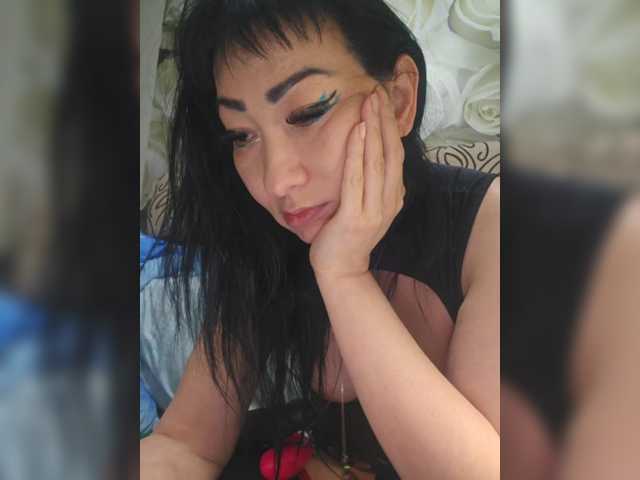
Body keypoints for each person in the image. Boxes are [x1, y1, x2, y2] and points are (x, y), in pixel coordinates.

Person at [140, 1, 500, 479]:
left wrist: (343, 274)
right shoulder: (262, 238)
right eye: (241, 136)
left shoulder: (493, 227)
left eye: (308, 113)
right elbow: (186, 443)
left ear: (398, 99)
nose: (277, 181)